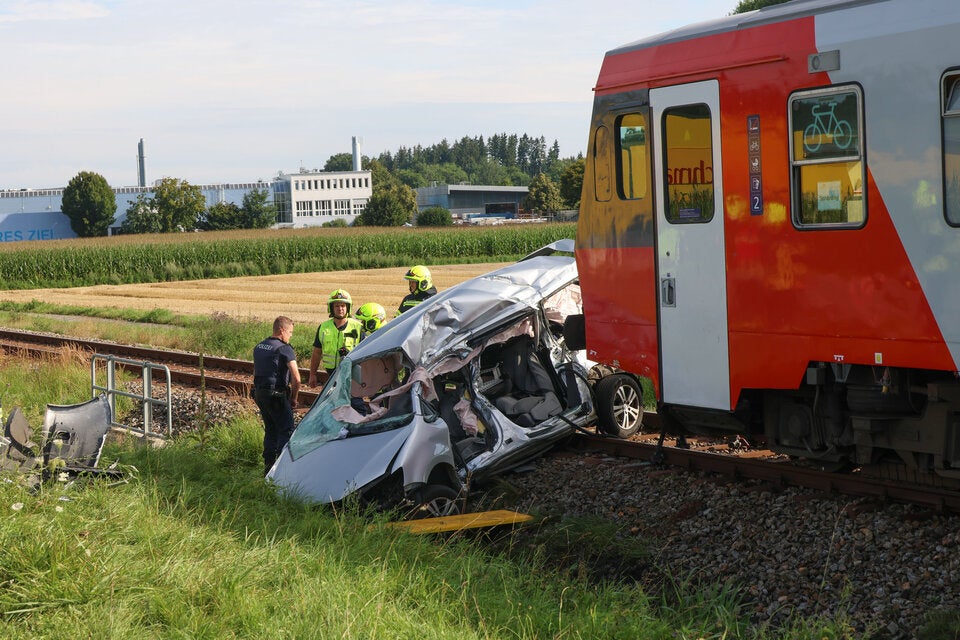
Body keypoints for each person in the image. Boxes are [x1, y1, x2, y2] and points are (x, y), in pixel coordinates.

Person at [253, 316, 301, 475]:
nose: (290, 335)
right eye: (290, 332)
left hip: (260, 393)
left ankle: (267, 469)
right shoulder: (284, 348)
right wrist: (294, 398)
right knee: (286, 430)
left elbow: (256, 372)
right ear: (281, 330)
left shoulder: (260, 346)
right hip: (276, 395)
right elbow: (296, 377)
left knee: (271, 430)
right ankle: (282, 471)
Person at [308, 289, 362, 386]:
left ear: (348, 307)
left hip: (352, 375)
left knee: (354, 401)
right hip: (331, 374)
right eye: (337, 306)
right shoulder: (323, 327)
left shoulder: (358, 327)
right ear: (331, 308)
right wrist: (312, 374)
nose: (340, 308)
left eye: (343, 305)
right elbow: (317, 353)